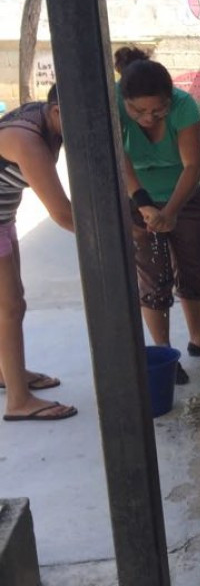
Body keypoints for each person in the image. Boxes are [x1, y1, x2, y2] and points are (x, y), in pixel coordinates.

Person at [115, 47, 200, 385]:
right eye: (139, 111)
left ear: (168, 99)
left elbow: (194, 165)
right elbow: (120, 161)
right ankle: (164, 352)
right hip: (137, 199)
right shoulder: (112, 103)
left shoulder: (183, 104)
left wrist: (170, 211)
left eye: (158, 110)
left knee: (190, 267)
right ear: (125, 100)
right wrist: (145, 206)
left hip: (183, 196)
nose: (148, 118)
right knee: (153, 277)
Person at [0, 86, 78, 421]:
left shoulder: (47, 118)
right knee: (10, 307)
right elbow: (63, 214)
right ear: (58, 111)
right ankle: (18, 400)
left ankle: (6, 373)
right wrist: (124, 235)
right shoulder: (27, 139)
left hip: (4, 216)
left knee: (13, 302)